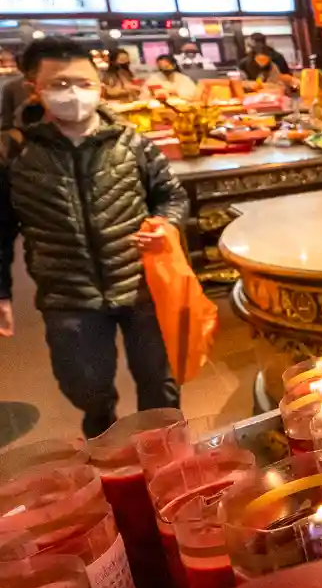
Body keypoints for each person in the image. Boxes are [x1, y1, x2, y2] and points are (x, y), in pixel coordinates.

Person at [0, 37, 186, 437]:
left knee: (161, 385)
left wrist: (165, 225)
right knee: (87, 389)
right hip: (68, 296)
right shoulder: (14, 153)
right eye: (60, 84)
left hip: (141, 286)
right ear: (35, 88)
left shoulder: (131, 142)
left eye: (83, 82)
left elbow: (171, 197)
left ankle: (170, 459)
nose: (74, 94)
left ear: (99, 84)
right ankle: (111, 461)